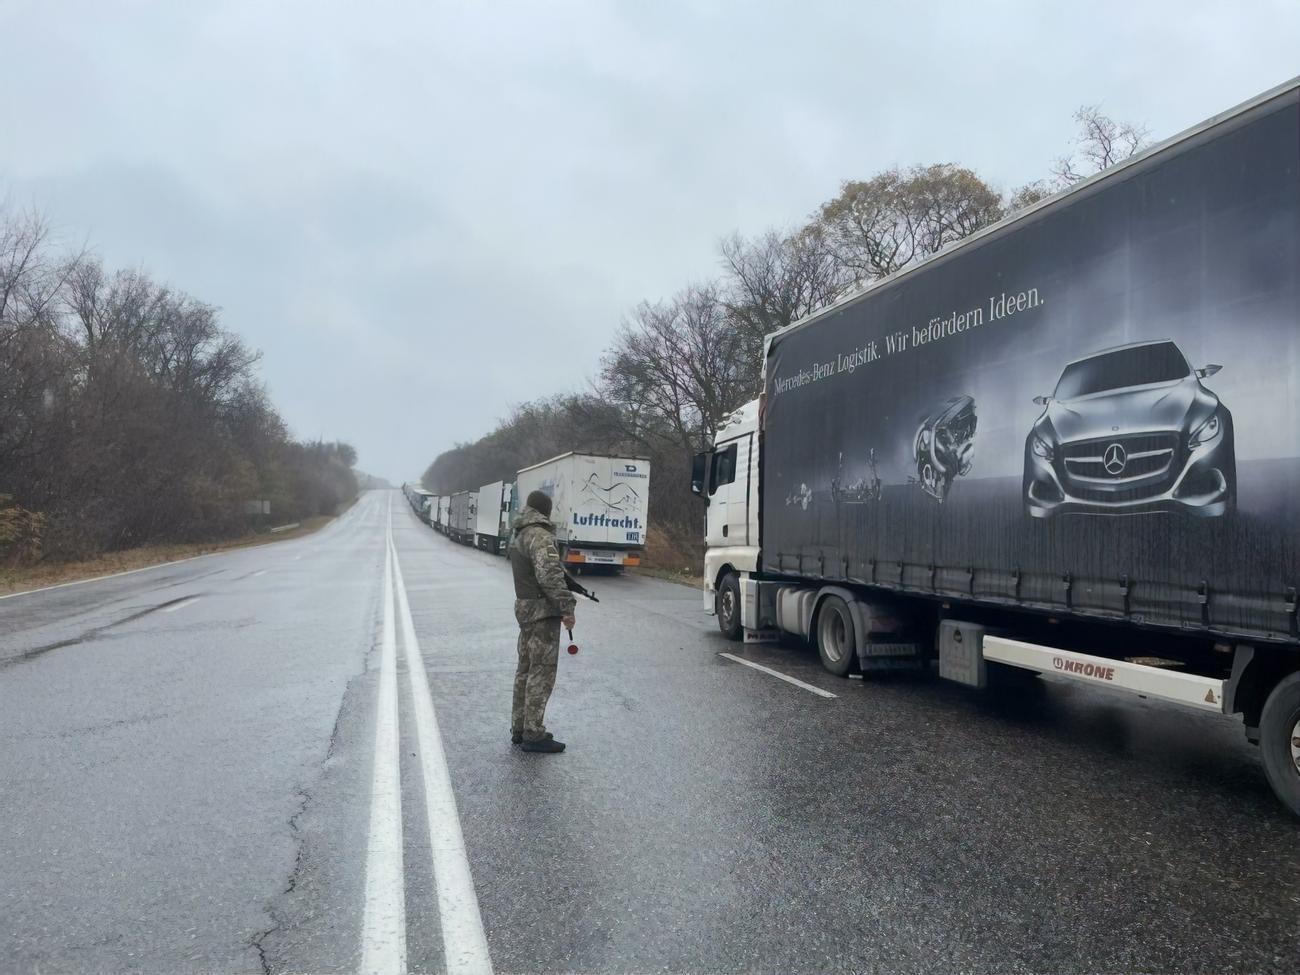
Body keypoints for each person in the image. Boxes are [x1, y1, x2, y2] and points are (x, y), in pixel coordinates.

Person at [509, 490, 576, 753]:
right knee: (541, 672)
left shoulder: (521, 534)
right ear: (545, 511)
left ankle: (520, 727)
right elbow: (549, 576)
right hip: (542, 612)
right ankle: (534, 733)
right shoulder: (541, 536)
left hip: (525, 609)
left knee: (524, 670)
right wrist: (567, 607)